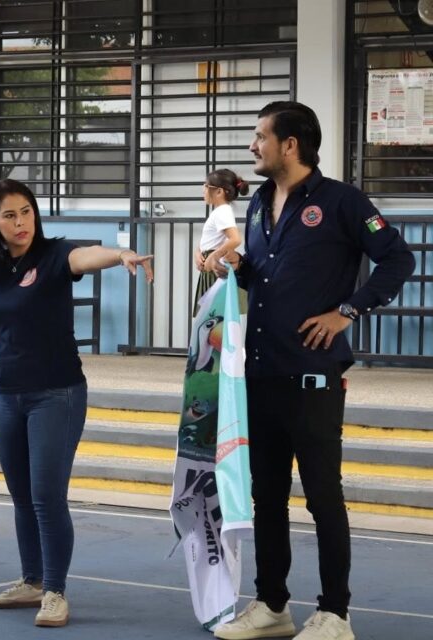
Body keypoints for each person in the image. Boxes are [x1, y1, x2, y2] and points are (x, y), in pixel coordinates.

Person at [210, 101, 414, 640]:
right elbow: (265, 276)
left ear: (290, 145)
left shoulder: (343, 201)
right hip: (261, 376)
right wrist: (236, 267)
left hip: (313, 380)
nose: (253, 146)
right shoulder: (257, 204)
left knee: (323, 495)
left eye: (260, 137)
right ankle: (273, 604)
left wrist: (346, 312)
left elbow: (398, 260)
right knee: (267, 495)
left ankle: (335, 614)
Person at [0, 178, 153, 628]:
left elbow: (84, 258)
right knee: (21, 497)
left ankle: (55, 591)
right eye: (9, 215)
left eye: (26, 212)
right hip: (7, 396)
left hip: (56, 394)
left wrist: (119, 255)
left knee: (45, 496)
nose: (21, 222)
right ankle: (32, 580)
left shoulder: (56, 255)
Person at [193, 169, 249, 313]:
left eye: (206, 186)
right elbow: (210, 241)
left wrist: (213, 256)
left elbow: (235, 239)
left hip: (216, 271)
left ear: (219, 192)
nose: (203, 189)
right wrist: (198, 252)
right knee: (212, 321)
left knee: (214, 321)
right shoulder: (220, 212)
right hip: (211, 268)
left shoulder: (222, 211)